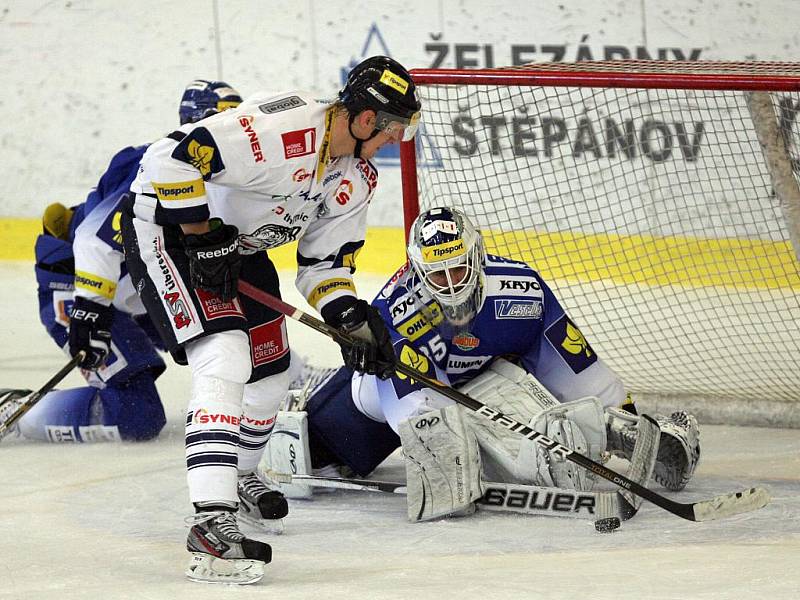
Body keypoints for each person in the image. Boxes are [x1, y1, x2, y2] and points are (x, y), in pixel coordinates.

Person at [119, 56, 422, 584]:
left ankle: (236, 475)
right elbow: (169, 157)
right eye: (393, 127)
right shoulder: (282, 129)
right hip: (170, 234)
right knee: (225, 356)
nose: (395, 140)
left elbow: (324, 265)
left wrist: (349, 315)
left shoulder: (357, 177)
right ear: (367, 118)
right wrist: (197, 232)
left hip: (234, 246)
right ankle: (210, 523)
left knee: (272, 371)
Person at [277, 206, 702, 520]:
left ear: (477, 256)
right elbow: (410, 399)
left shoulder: (523, 291)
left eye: (459, 269)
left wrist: (625, 417)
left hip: (486, 379)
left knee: (519, 392)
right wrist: (437, 448)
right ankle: (545, 455)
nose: (451, 284)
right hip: (376, 404)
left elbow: (573, 360)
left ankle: (615, 432)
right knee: (424, 449)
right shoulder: (395, 309)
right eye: (437, 275)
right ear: (417, 272)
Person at [0, 80, 243, 443]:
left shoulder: (223, 179)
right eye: (221, 121)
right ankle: (20, 411)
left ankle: (298, 377)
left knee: (239, 338)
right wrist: (89, 309)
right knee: (136, 416)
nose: (231, 132)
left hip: (137, 292)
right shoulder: (157, 167)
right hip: (80, 286)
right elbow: (94, 241)